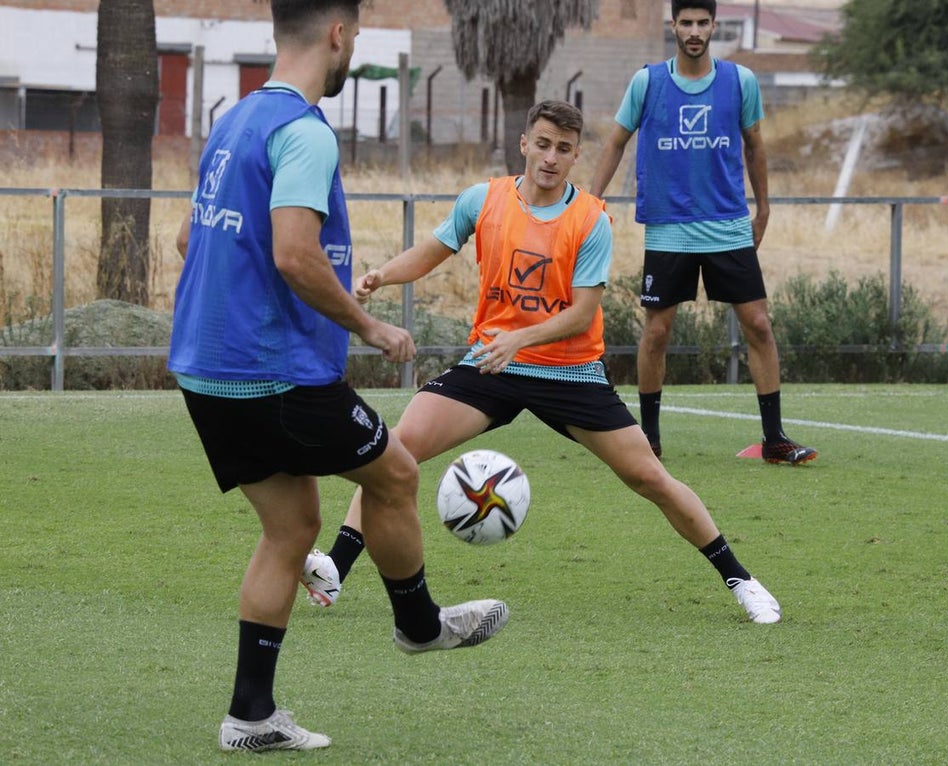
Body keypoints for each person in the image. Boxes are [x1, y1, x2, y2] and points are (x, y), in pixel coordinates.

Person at [298, 99, 782, 627]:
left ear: (576, 156)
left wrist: (519, 339)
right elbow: (433, 250)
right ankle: (335, 568)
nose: (551, 157)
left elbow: (582, 314)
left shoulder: (590, 220)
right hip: (491, 364)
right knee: (395, 451)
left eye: (564, 149)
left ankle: (742, 581)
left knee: (650, 478)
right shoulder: (483, 198)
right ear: (525, 144)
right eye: (544, 144)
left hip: (568, 372)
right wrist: (381, 276)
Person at [168, 0, 507, 752]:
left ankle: (250, 716)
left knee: (291, 527)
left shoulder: (234, 121)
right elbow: (294, 253)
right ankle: (420, 625)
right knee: (396, 473)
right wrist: (370, 326)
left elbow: (192, 238)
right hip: (274, 373)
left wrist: (271, 295)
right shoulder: (305, 130)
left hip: (206, 368)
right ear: (337, 34)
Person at [587, 0, 817, 465]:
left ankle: (774, 439)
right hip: (668, 227)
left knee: (758, 325)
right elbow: (615, 142)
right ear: (673, 25)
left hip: (727, 225)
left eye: (702, 23)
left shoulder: (740, 81)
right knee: (657, 333)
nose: (694, 31)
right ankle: (649, 441)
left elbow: (755, 147)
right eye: (686, 22)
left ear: (714, 26)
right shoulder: (647, 82)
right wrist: (589, 204)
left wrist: (764, 209)